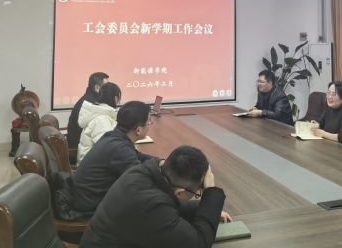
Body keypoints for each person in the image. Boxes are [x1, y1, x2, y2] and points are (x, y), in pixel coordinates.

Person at [80, 146, 231, 248]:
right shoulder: (152, 205)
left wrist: (207, 210)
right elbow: (199, 243)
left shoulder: (141, 172)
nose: (195, 196)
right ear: (179, 192)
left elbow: (170, 212)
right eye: (196, 193)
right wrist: (210, 192)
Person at [73, 101, 162, 215]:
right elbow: (142, 181)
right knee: (153, 204)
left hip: (86, 198)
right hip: (91, 207)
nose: (149, 125)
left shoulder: (114, 136)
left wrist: (161, 162)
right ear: (139, 130)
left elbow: (139, 156)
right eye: (149, 122)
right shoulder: (120, 149)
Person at [77, 82, 121, 164]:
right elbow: (108, 147)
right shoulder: (102, 120)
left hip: (92, 161)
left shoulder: (99, 113)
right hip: (92, 166)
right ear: (116, 98)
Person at [67, 72, 109, 150]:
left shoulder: (89, 99)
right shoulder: (91, 105)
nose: (109, 89)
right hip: (79, 148)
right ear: (97, 88)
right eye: (106, 87)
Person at [311, 81, 342, 147]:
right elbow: (321, 125)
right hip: (329, 146)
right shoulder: (329, 110)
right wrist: (315, 125)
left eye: (334, 94)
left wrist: (323, 134)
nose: (329, 97)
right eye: (328, 93)